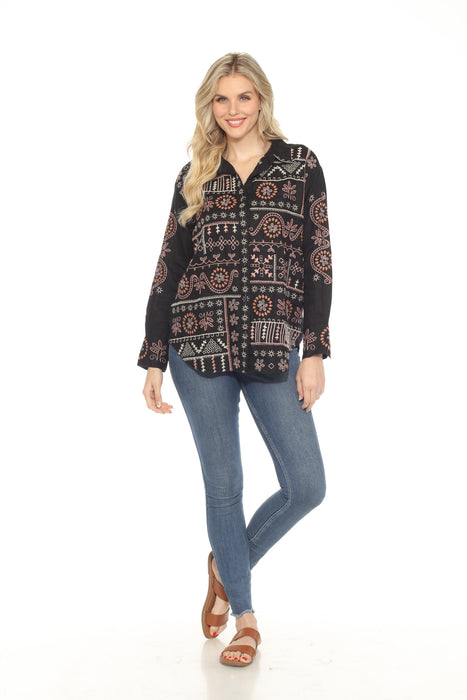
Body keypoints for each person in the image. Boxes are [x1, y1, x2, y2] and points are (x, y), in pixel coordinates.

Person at [137, 52, 332, 667]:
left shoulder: (300, 165)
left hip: (275, 345)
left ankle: (225, 565)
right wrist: (154, 357)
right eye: (221, 99)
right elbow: (168, 268)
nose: (233, 110)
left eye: (243, 97)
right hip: (198, 343)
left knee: (307, 486)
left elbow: (319, 261)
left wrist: (315, 350)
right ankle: (245, 618)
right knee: (225, 488)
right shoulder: (195, 173)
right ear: (210, 106)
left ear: (261, 99)